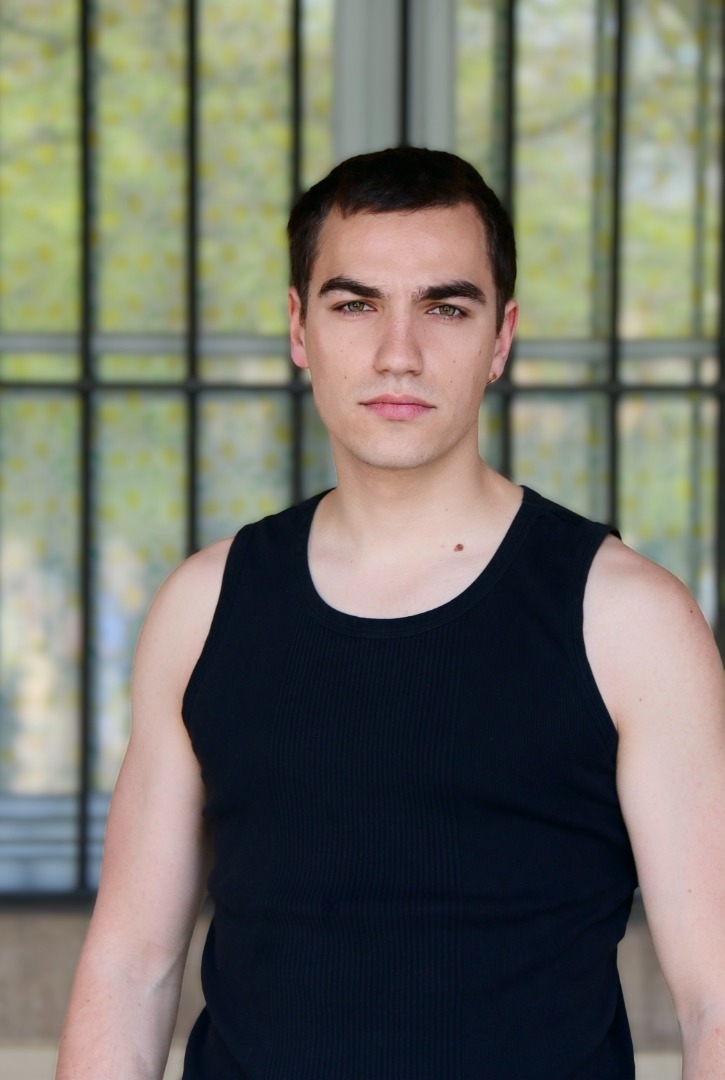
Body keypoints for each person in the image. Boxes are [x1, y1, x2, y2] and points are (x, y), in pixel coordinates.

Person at [56, 147, 725, 1079]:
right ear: (299, 327)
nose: (397, 354)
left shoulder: (628, 620)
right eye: (355, 304)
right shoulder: (204, 606)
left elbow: (713, 999)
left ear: (500, 337)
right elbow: (130, 969)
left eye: (445, 308)